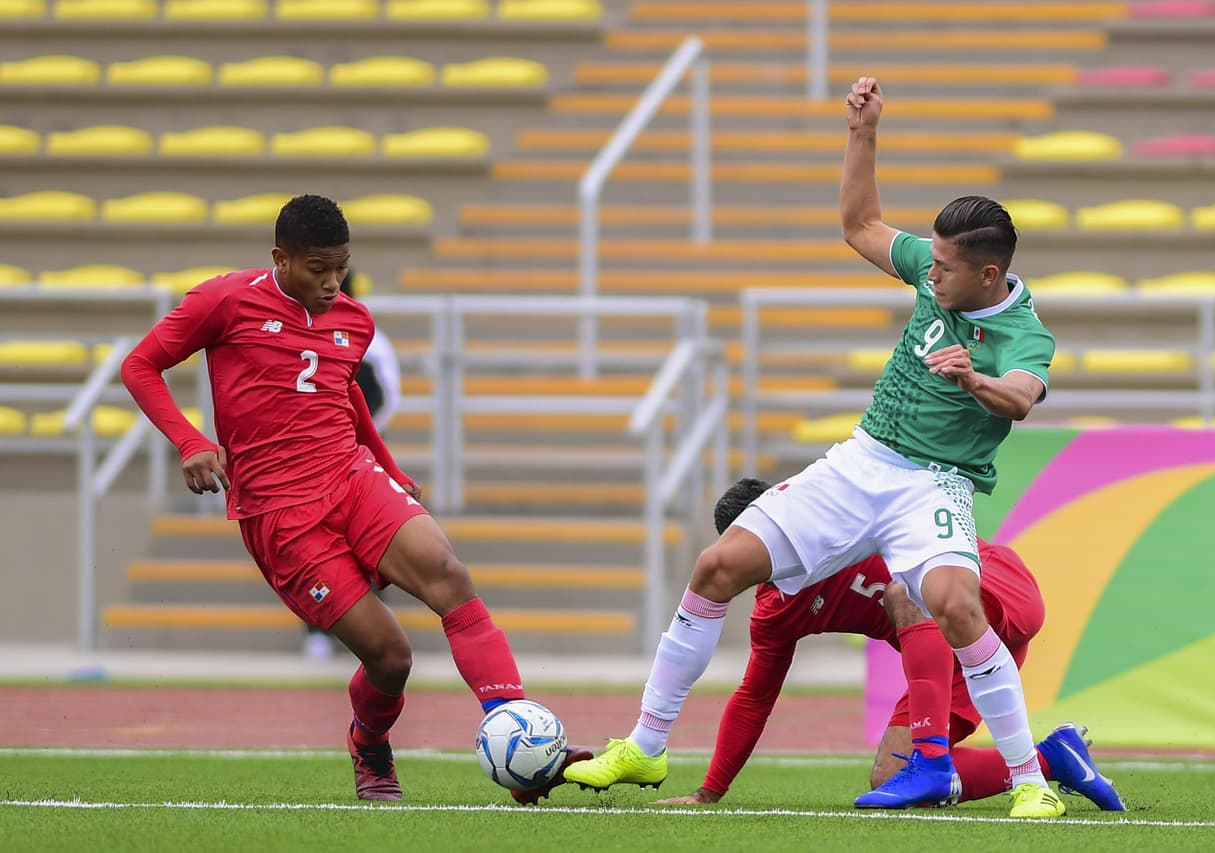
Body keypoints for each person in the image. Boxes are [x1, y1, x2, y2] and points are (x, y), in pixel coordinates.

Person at [565, 76, 1065, 819]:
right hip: (862, 460)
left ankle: (1031, 780)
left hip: (934, 484)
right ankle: (646, 743)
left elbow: (1023, 396)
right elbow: (860, 225)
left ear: (987, 275)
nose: (930, 274)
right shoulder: (937, 275)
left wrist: (975, 381)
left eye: (946, 268)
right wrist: (862, 131)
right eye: (929, 260)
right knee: (716, 565)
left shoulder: (1024, 333)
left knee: (957, 605)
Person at [120, 194, 588, 804]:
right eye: (319, 269)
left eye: (341, 268)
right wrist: (190, 441)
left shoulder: (355, 319)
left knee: (449, 574)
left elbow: (346, 395)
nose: (332, 283)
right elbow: (140, 366)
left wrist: (391, 469)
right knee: (391, 657)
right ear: (280, 259)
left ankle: (524, 739)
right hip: (280, 514)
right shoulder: (225, 300)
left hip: (353, 478)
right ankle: (369, 745)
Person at [649, 479, 1125, 812]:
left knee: (907, 590)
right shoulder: (775, 612)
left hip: (992, 590)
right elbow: (753, 699)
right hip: (956, 655)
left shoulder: (837, 516)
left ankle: (935, 758)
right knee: (889, 777)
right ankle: (1052, 759)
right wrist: (710, 791)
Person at [303, 268, 403, 661]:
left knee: (361, 539)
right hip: (308, 461)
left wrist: (358, 435)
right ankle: (318, 630)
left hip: (351, 456)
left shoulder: (364, 332)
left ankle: (369, 620)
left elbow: (384, 394)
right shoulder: (293, 329)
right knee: (313, 545)